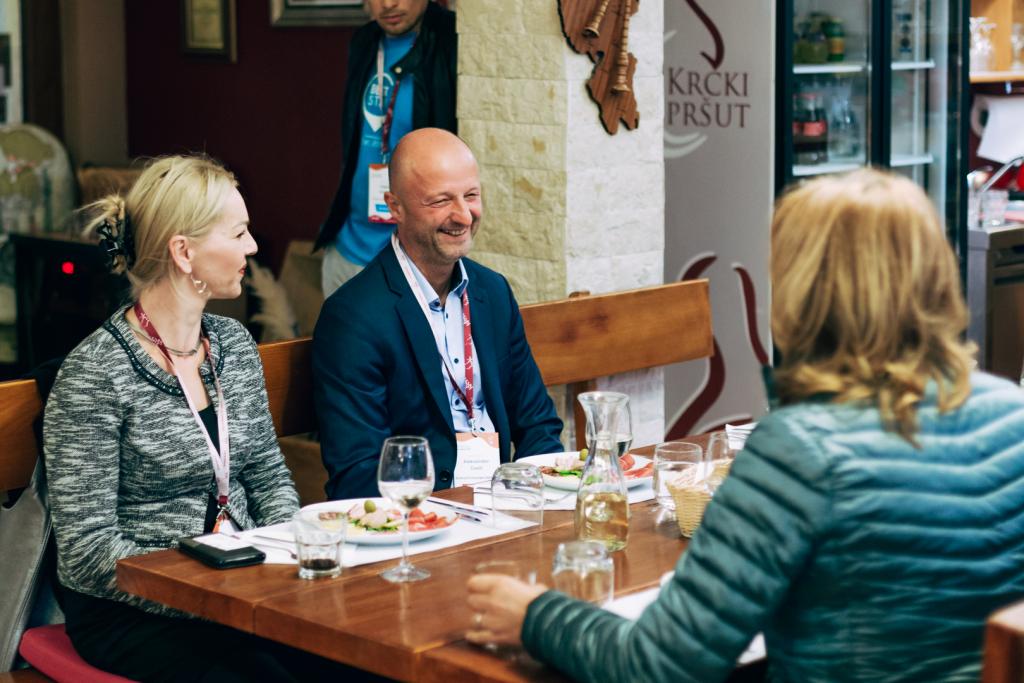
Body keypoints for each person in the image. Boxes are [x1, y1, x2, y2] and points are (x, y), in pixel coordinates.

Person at [466, 169, 1024, 682]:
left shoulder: (802, 448)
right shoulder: (1010, 412)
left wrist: (534, 615)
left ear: (804, 292)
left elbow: (659, 665)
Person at [43, 156, 343, 682]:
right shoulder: (96, 373)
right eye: (239, 233)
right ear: (184, 252)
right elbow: (87, 553)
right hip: (135, 608)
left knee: (355, 662)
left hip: (242, 586)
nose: (253, 247)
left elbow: (266, 474)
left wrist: (287, 554)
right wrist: (212, 589)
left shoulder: (234, 345)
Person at [313, 128, 563, 501]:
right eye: (441, 200)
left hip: (504, 503)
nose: (463, 215)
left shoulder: (492, 292)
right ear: (395, 207)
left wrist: (537, 500)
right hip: (421, 514)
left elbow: (538, 425)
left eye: (471, 196)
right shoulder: (352, 317)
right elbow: (359, 471)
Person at [316, 0, 457, 297]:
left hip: (411, 257)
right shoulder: (365, 41)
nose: (389, 3)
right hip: (346, 247)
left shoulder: (450, 41)